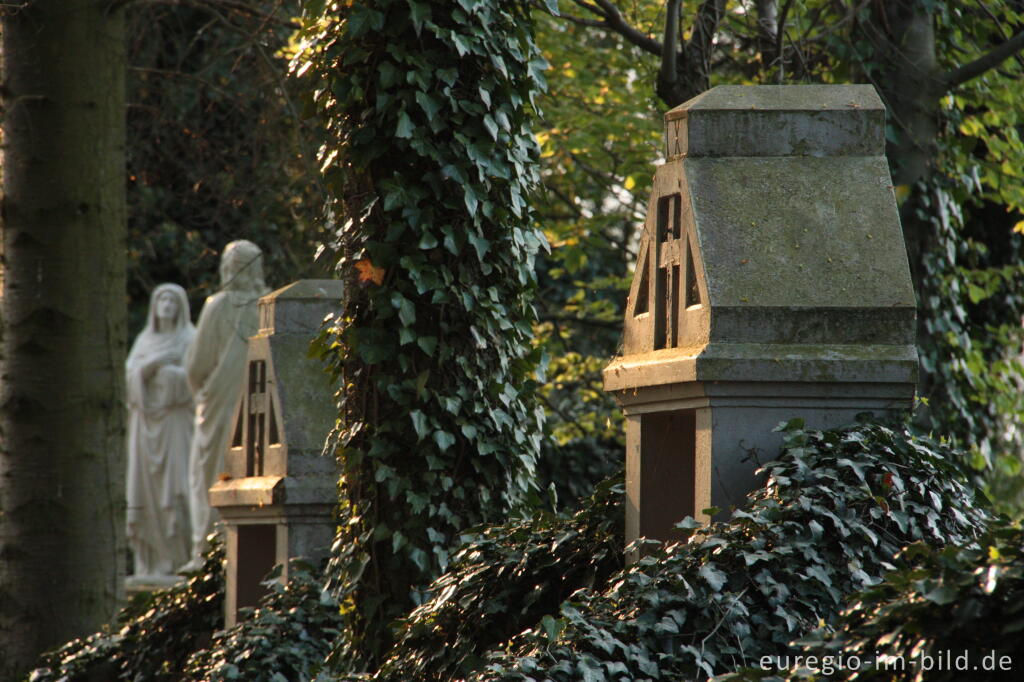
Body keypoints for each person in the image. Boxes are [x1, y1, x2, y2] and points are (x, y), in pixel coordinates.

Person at [182, 240, 269, 568]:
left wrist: (202, 396)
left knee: (209, 474)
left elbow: (196, 367)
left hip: (218, 408)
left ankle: (206, 551)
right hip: (259, 405)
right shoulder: (268, 304)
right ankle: (248, 550)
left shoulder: (217, 306)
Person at [126, 283, 196, 579]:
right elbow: (129, 380)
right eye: (161, 299)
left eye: (172, 300)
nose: (166, 304)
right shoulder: (144, 341)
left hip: (176, 423)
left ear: (181, 306)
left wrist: (171, 376)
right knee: (145, 490)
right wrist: (150, 367)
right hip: (144, 427)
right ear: (154, 307)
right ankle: (152, 561)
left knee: (177, 489)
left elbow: (198, 378)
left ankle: (180, 556)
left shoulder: (190, 338)